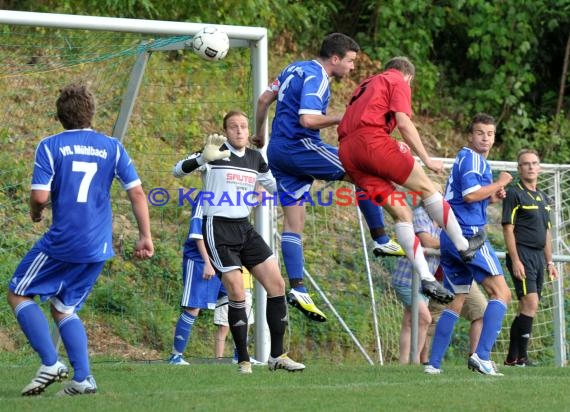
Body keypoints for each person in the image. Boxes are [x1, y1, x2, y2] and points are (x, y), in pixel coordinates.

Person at [7, 83, 154, 396]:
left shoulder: (50, 145)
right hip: (98, 245)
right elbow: (137, 192)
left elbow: (40, 195)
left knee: (18, 292)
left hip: (64, 241)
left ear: (59, 116)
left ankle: (50, 362)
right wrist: (145, 236)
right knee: (64, 307)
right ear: (92, 113)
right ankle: (83, 379)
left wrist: (35, 213)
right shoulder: (112, 146)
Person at [253, 33, 405, 323]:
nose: (351, 68)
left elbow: (263, 100)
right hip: (301, 146)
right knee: (363, 171)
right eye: (349, 61)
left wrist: (260, 133)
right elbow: (307, 120)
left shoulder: (292, 68)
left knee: (293, 222)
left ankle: (298, 288)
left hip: (278, 152)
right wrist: (341, 118)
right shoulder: (317, 76)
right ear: (335, 58)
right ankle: (380, 237)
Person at [338, 56, 487, 306]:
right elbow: (404, 122)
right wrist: (426, 159)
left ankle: (426, 277)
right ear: (409, 76)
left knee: (402, 214)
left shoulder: (365, 85)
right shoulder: (397, 80)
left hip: (348, 152)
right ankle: (463, 245)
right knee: (428, 188)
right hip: (372, 142)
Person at [173, 110, 304, 374]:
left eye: (244, 126)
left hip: (244, 228)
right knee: (236, 290)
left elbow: (276, 186)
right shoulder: (215, 153)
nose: (240, 131)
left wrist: (304, 177)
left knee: (277, 284)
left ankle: (277, 355)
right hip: (217, 228)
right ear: (226, 130)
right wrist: (201, 158)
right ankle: (243, 359)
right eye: (234, 127)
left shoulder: (256, 158)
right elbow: (177, 171)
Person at [424, 113, 513, 376]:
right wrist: (499, 183)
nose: (485, 138)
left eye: (490, 134)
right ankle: (482, 356)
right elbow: (471, 195)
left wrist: (493, 197)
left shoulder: (466, 159)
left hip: (450, 237)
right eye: (480, 133)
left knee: (456, 300)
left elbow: (471, 199)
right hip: (468, 236)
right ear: (469, 136)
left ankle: (433, 364)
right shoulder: (473, 159)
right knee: (502, 293)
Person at [502, 149, 558, 367]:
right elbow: (508, 229)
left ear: (540, 168)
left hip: (538, 257)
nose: (531, 167)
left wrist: (550, 261)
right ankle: (522, 358)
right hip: (522, 253)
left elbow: (547, 233)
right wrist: (515, 260)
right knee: (530, 303)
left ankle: (511, 358)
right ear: (519, 168)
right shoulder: (514, 193)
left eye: (534, 163)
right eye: (526, 164)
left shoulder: (544, 198)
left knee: (527, 306)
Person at [168, 195, 223, 365]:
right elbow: (197, 232)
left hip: (222, 259)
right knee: (193, 308)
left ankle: (239, 355)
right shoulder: (205, 197)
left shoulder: (232, 195)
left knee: (235, 301)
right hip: (200, 260)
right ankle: (176, 356)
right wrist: (207, 262)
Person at [391, 205, 434, 364]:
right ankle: (414, 361)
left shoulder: (441, 221)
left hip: (424, 283)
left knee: (410, 321)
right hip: (407, 279)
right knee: (425, 318)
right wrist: (446, 244)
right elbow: (427, 241)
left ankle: (403, 363)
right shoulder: (420, 214)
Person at [214, 268, 264, 365]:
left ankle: (240, 356)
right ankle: (218, 360)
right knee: (224, 326)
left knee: (245, 323)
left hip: (246, 286)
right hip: (227, 286)